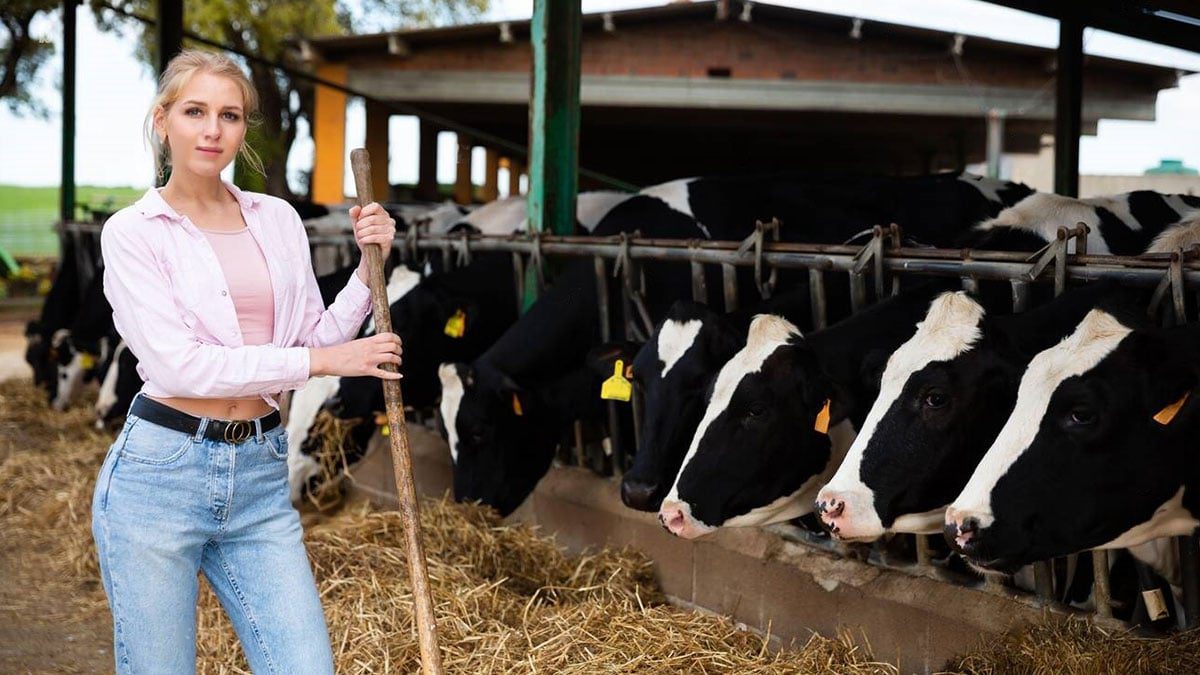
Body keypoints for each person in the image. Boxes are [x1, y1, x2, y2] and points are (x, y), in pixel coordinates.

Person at [91, 49, 400, 674]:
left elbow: (311, 333)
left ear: (243, 128)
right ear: (162, 120)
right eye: (194, 111)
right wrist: (323, 361)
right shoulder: (133, 232)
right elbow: (180, 367)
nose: (212, 130)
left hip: (259, 471)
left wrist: (373, 267)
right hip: (160, 473)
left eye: (229, 115)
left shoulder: (277, 219)